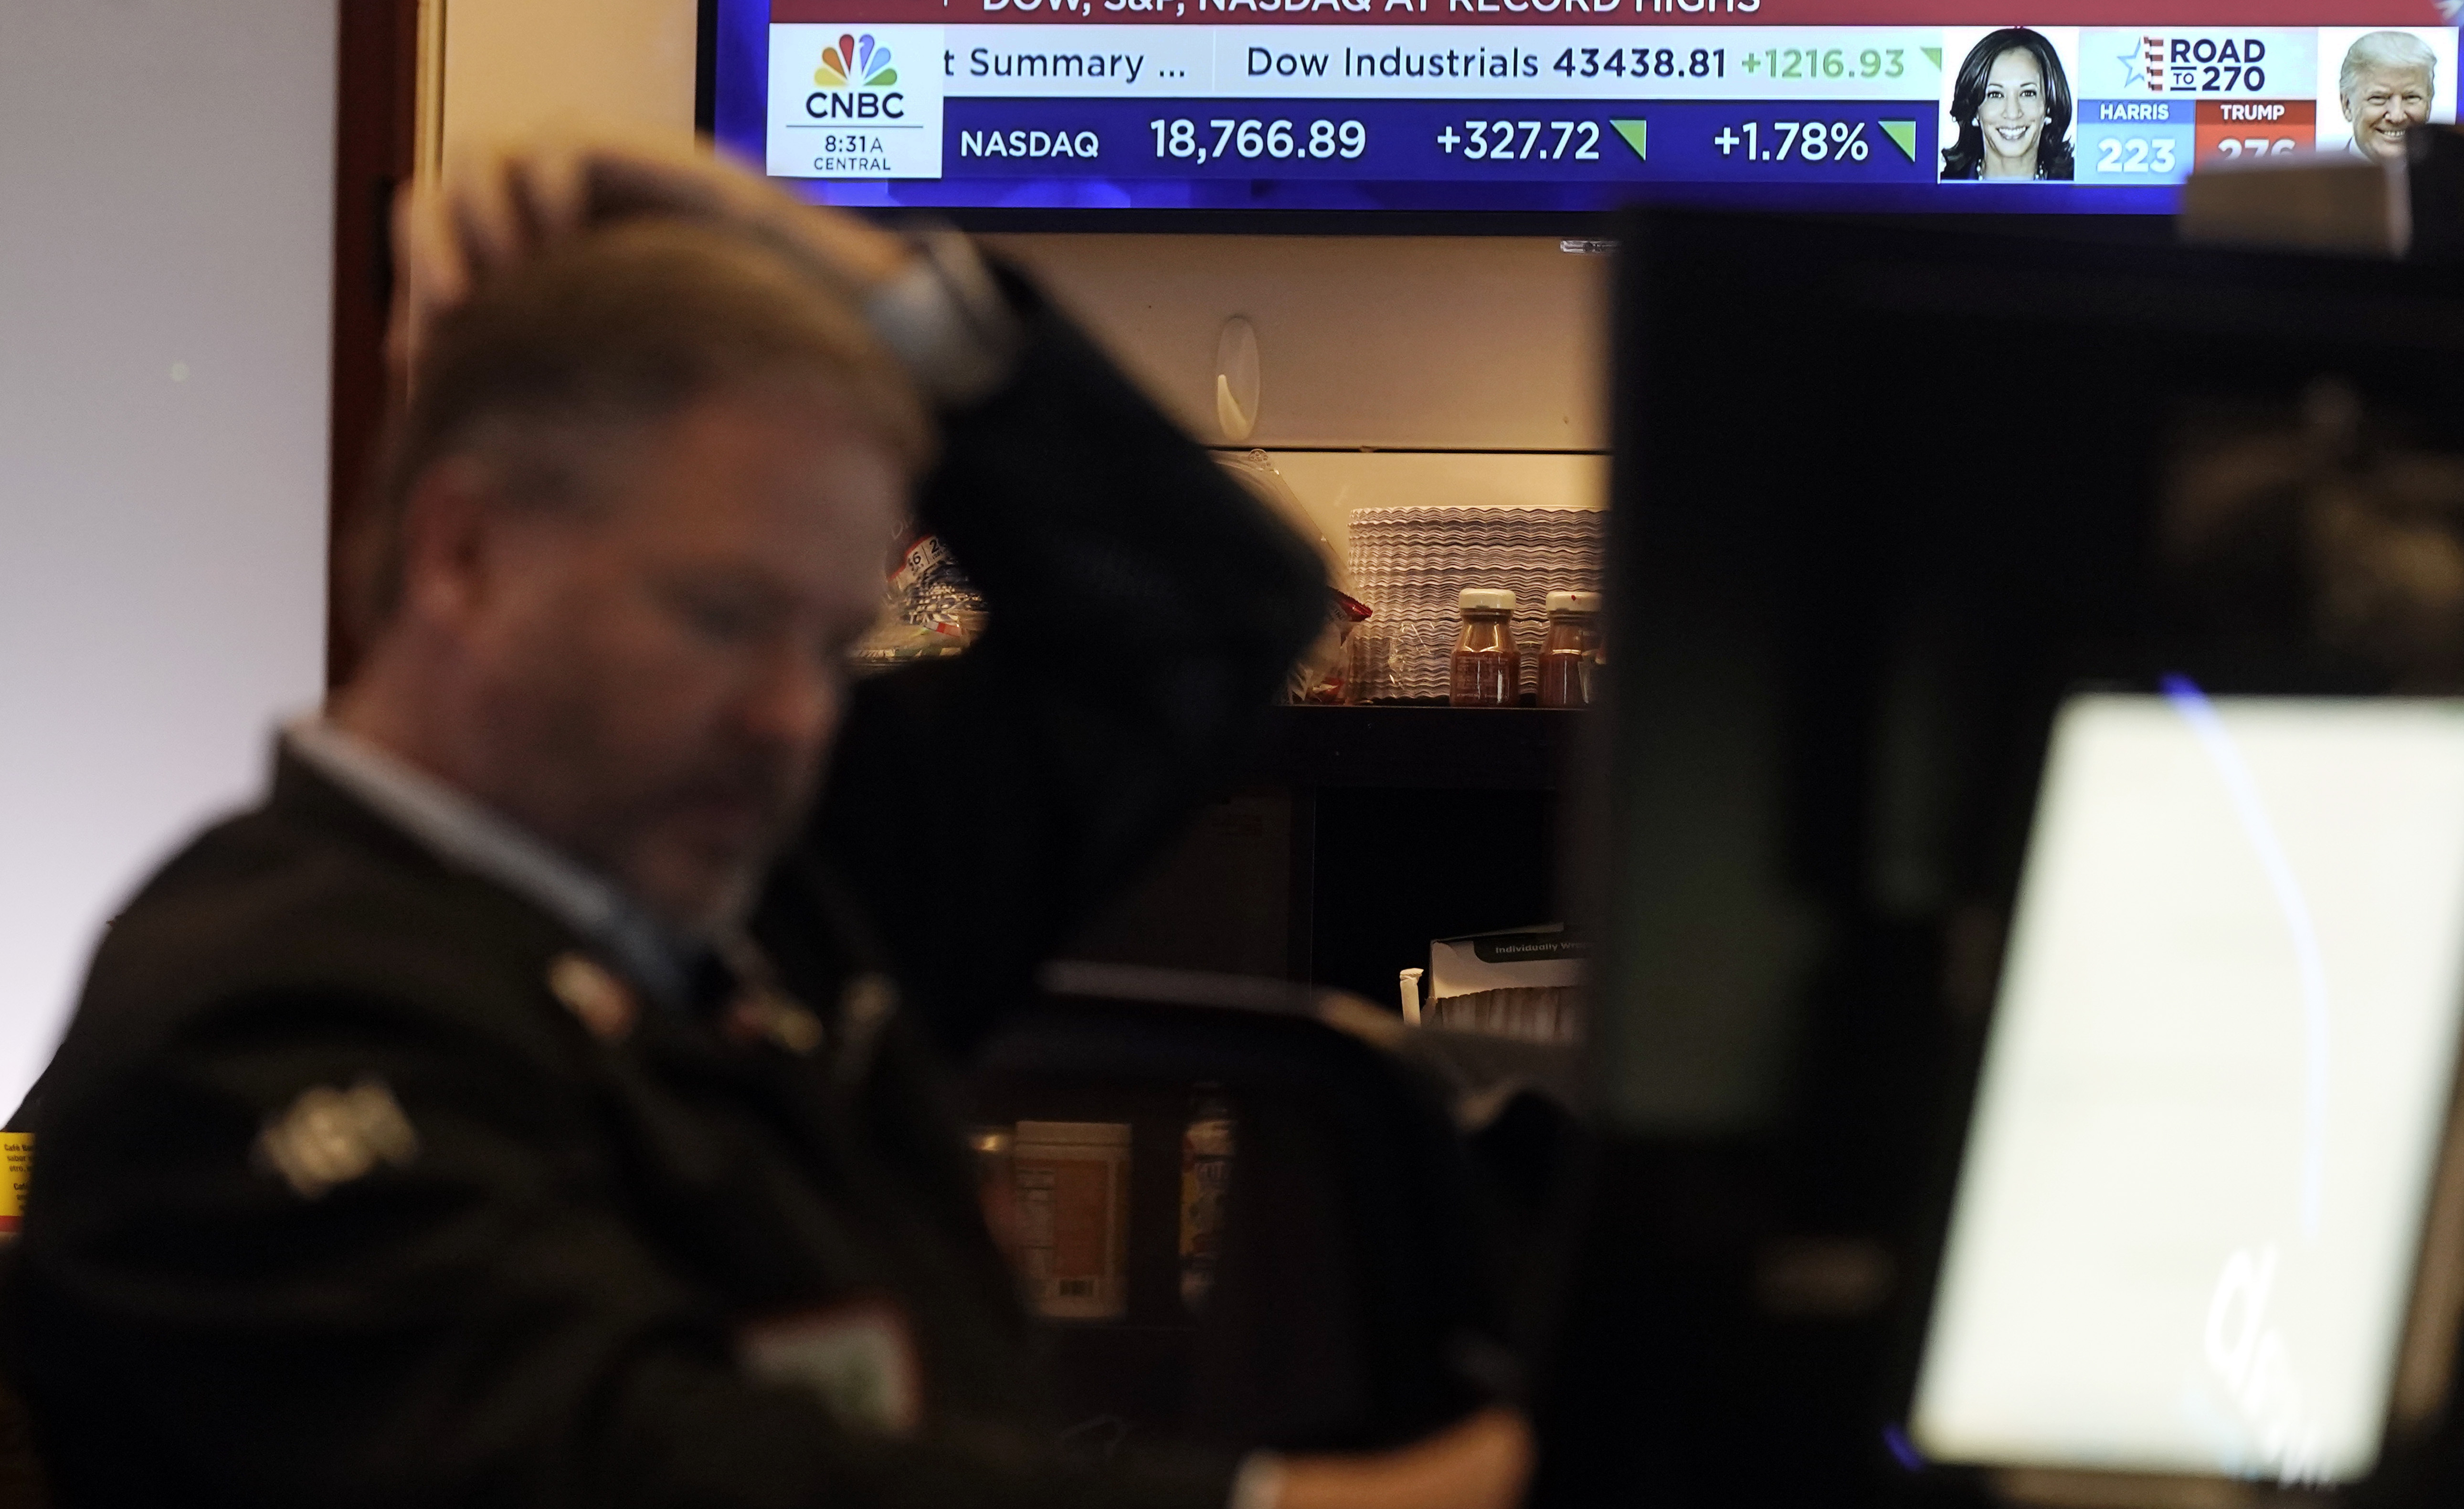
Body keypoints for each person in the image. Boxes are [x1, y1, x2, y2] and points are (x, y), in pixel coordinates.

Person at [0, 138, 1534, 1509]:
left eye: (825, 637)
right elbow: (635, 1467)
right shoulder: (238, 1025)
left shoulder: (754, 873)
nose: (795, 711)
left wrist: (870, 283)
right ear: (461, 553)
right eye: (724, 615)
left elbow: (1205, 619)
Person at [1939, 28, 2074, 181]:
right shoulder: (1937, 195)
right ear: (1975, 111)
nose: (2013, 113)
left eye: (2028, 94)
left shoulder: (2084, 192)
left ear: (2049, 105)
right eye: (1995, 95)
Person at [2337, 30, 2438, 160]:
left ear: (2429, 104)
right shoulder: (2314, 179)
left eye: (2411, 98)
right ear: (2347, 105)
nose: (2397, 117)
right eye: (2378, 98)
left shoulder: (2456, 179)